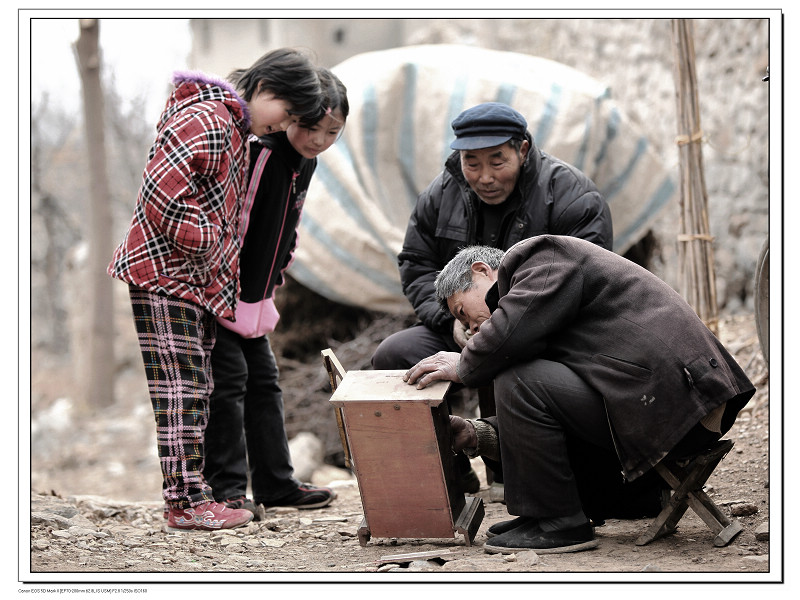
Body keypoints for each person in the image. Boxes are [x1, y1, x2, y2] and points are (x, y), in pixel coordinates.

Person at [403, 237, 755, 554]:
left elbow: (508, 344)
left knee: (516, 375)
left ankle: (560, 522)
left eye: (463, 312)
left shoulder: (538, 257)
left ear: (481, 270)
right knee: (520, 374)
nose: (470, 328)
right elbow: (554, 403)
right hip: (670, 401)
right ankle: (543, 515)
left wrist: (464, 362)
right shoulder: (542, 305)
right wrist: (478, 434)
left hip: (685, 401)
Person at [108, 48, 324, 531]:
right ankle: (185, 504)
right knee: (181, 390)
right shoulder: (206, 118)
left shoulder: (231, 125)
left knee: (196, 388)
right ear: (265, 87)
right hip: (165, 276)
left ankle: (194, 495)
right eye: (285, 113)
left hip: (191, 281)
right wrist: (212, 242)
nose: (281, 125)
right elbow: (160, 194)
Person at [372, 101, 612, 492]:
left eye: (497, 161)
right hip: (459, 326)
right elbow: (416, 263)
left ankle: (513, 475)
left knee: (502, 359)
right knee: (395, 355)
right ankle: (447, 469)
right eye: (472, 163)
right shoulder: (442, 192)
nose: (484, 177)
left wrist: (498, 329)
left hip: (544, 333)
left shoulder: (569, 193)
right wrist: (451, 321)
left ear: (522, 149)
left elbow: (584, 282)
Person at [202, 69, 349, 518]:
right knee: (228, 387)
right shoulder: (263, 152)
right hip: (224, 296)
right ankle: (225, 488)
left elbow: (288, 229)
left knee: (264, 383)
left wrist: (273, 283)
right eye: (310, 126)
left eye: (332, 132)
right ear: (291, 117)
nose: (319, 139)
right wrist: (229, 292)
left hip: (256, 299)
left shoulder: (306, 161)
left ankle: (275, 483)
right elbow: (239, 223)